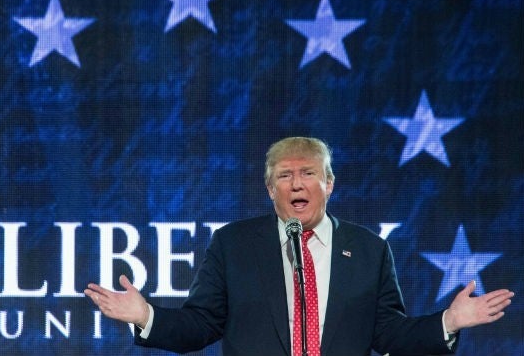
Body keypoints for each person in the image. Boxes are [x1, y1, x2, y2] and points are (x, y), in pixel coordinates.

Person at [85, 136, 514, 356]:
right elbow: (201, 326)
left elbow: (389, 334)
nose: (296, 184)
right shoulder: (234, 245)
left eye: (308, 173)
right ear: (270, 189)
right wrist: (147, 316)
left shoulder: (367, 249)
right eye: (284, 176)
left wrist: (448, 322)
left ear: (328, 184)